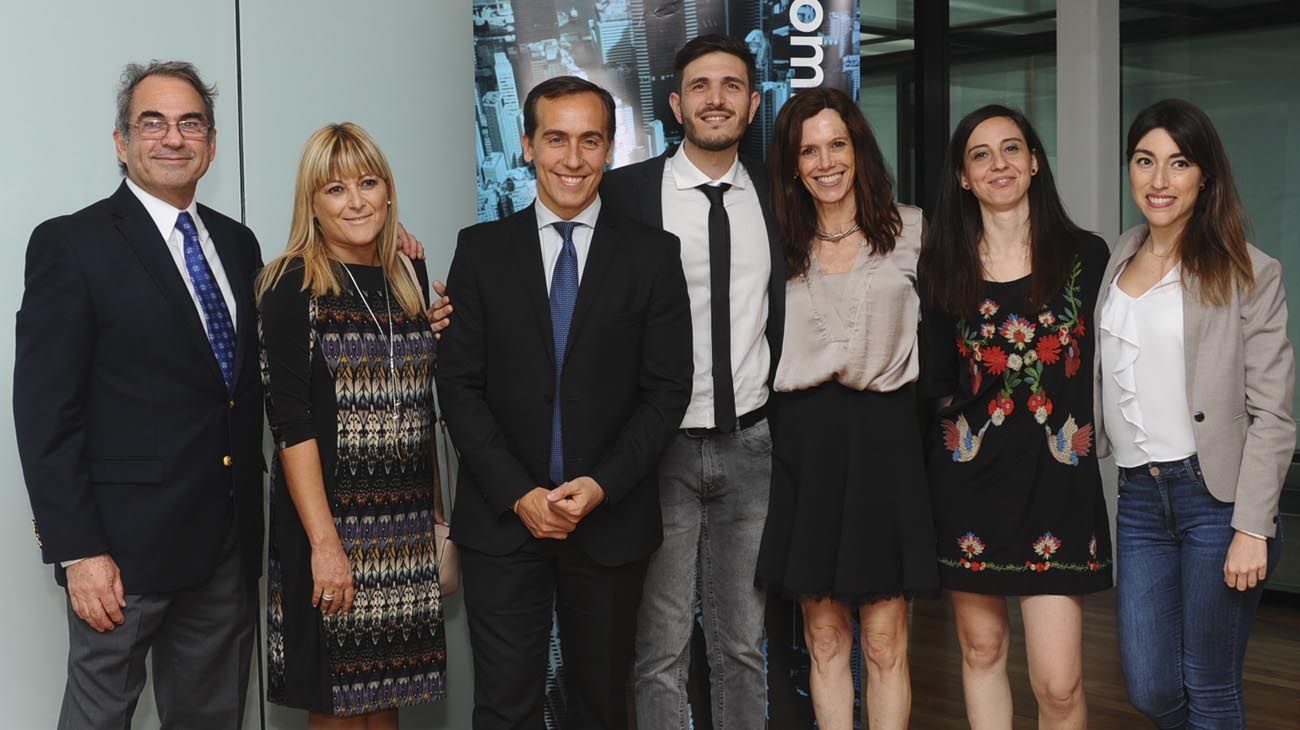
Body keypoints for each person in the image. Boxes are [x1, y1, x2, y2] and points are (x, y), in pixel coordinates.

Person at [13, 61, 264, 729]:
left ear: (210, 142)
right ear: (122, 142)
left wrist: (400, 268)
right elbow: (46, 414)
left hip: (224, 547)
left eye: (190, 123)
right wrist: (78, 550)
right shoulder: (73, 244)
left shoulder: (239, 247)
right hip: (120, 558)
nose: (173, 138)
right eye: (152, 123)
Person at [436, 75, 693, 729]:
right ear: (526, 146)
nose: (572, 159)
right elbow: (459, 386)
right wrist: (519, 492)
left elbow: (667, 393)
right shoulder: (480, 251)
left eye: (590, 140)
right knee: (504, 706)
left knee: (602, 705)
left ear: (610, 149)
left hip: (607, 521)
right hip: (503, 522)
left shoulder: (655, 257)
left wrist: (602, 485)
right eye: (555, 139)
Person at [600, 34, 790, 730]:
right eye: (701, 86)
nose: (716, 98)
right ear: (676, 105)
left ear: (753, 103)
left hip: (754, 447)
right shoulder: (625, 194)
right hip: (658, 451)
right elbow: (543, 250)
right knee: (659, 650)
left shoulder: (778, 191)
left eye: (732, 85)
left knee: (743, 644)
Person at [1095, 98, 1294, 728]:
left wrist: (1253, 527)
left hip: (1218, 503)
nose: (1159, 181)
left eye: (1178, 164)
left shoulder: (1249, 272)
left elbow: (1275, 415)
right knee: (1152, 689)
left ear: (1204, 174)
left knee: (1209, 686)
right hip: (1139, 499)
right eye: (1145, 161)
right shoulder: (1119, 256)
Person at [918, 105, 1112, 729]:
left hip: (1058, 485)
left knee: (1058, 684)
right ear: (963, 178)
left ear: (1033, 162)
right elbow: (938, 383)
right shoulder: (943, 268)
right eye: (981, 154)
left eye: (1011, 149)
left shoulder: (1087, 256)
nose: (999, 163)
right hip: (969, 485)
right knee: (982, 651)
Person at [753, 87, 938, 730]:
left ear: (859, 149)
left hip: (885, 442)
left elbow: (947, 340)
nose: (826, 162)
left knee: (885, 642)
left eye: (838, 144)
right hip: (803, 444)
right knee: (826, 639)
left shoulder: (912, 229)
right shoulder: (774, 243)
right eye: (809, 150)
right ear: (792, 164)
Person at [256, 122, 446, 727]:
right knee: (337, 702)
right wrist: (325, 546)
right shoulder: (292, 284)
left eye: (368, 183)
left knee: (384, 698)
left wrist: (437, 513)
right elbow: (292, 424)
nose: (356, 201)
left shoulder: (407, 275)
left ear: (388, 192)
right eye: (335, 189)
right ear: (311, 203)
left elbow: (422, 404)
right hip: (330, 524)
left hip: (403, 521)